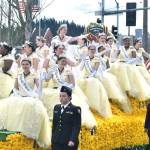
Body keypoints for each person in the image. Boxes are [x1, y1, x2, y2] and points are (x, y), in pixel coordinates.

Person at [51, 85, 81, 150]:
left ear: (70, 97)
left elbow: (76, 126)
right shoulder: (56, 107)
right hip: (56, 142)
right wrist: (52, 139)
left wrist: (72, 140)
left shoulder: (75, 109)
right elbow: (54, 125)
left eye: (64, 96)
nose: (61, 98)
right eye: (60, 96)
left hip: (68, 143)